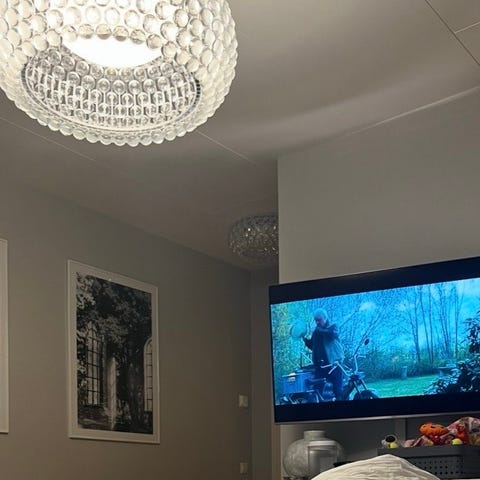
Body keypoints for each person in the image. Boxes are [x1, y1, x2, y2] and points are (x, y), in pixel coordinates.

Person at [303, 308, 345, 400]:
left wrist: (318, 330)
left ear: (325, 318)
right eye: (316, 320)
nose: (317, 322)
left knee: (338, 391)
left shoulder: (333, 326)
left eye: (319, 320)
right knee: (317, 391)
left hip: (333, 364)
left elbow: (331, 335)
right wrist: (305, 339)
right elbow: (313, 346)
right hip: (320, 366)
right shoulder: (317, 332)